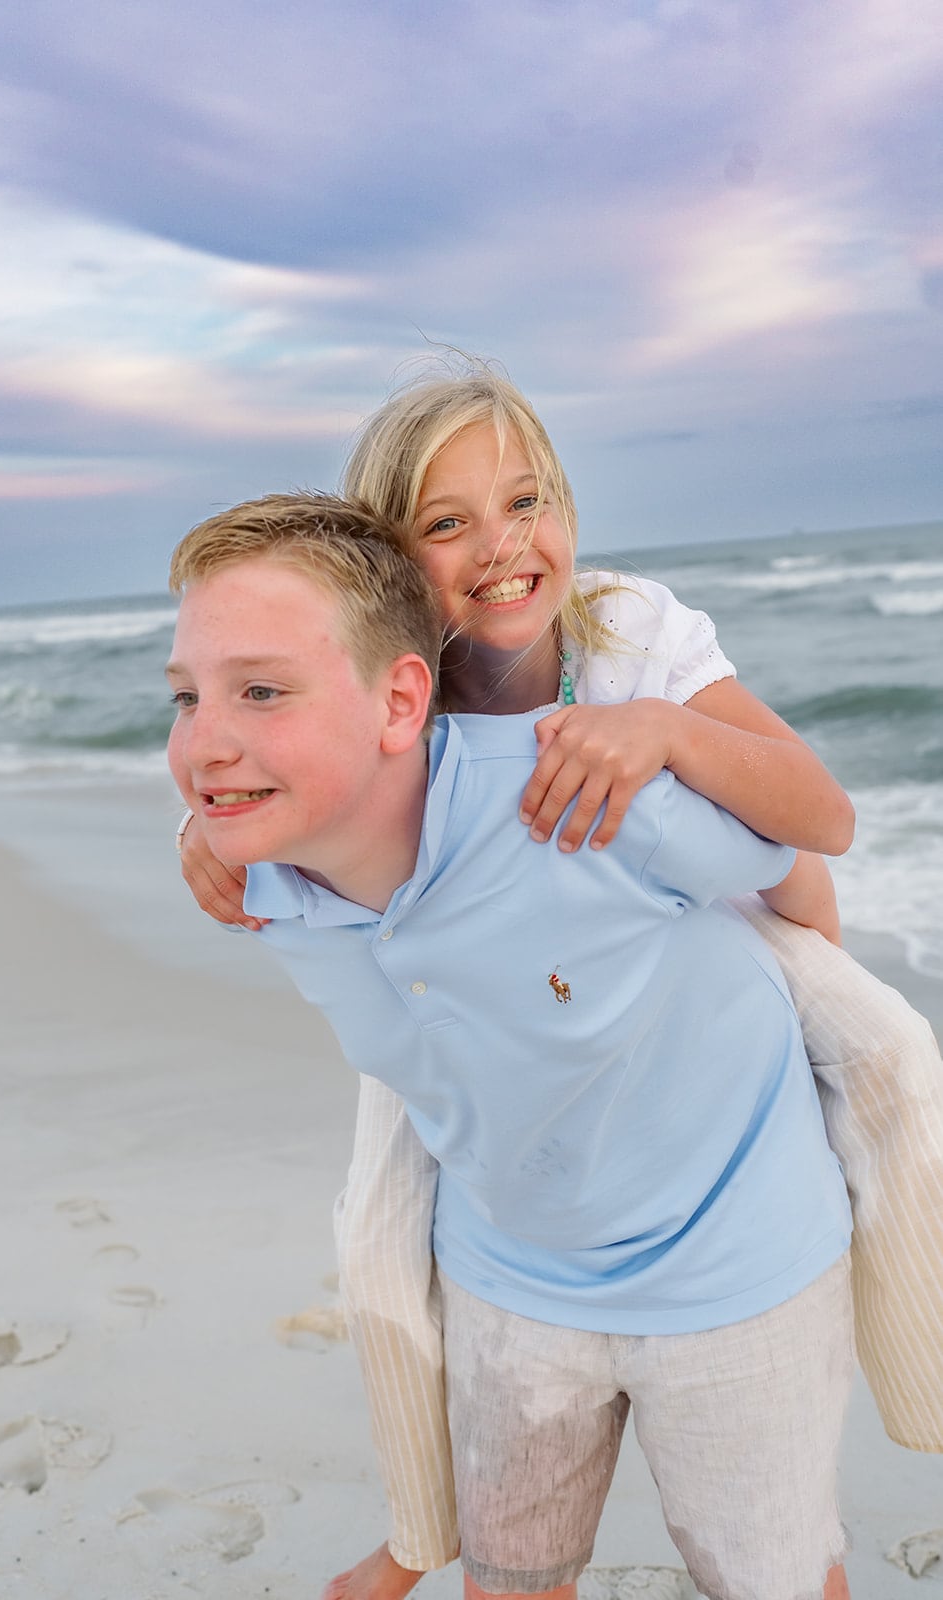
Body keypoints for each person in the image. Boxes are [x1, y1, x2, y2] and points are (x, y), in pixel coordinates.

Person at [176, 363, 943, 1599]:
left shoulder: (623, 632)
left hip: (702, 927)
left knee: (865, 1034)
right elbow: (291, 739)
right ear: (389, 566)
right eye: (447, 521)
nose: (502, 545)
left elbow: (811, 826)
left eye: (527, 500)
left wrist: (667, 736)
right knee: (381, 1228)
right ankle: (419, 1529)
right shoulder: (400, 705)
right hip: (477, 1032)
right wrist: (207, 824)